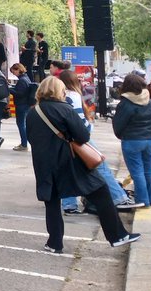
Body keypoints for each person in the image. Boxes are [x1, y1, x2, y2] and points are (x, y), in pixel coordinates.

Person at [26, 77, 138, 252]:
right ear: (59, 91)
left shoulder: (33, 112)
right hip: (68, 161)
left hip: (43, 163)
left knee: (52, 202)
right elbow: (83, 136)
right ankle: (117, 235)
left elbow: (31, 138)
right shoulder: (65, 109)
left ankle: (54, 243)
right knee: (101, 192)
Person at [57, 70, 135, 213]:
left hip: (62, 139)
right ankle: (119, 198)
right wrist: (88, 127)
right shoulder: (73, 96)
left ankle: (69, 205)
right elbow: (80, 121)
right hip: (79, 138)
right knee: (100, 165)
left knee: (68, 170)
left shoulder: (58, 97)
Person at [111, 74, 151, 207]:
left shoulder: (125, 104)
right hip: (149, 140)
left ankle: (143, 200)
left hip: (131, 140)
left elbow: (119, 125)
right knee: (148, 169)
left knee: (137, 172)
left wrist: (121, 135)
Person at [9, 63, 36, 151]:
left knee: (21, 124)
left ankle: (24, 144)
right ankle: (25, 143)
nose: (14, 74)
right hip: (26, 104)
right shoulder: (26, 78)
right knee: (23, 124)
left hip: (21, 104)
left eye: (14, 72)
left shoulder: (22, 80)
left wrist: (9, 90)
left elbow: (20, 93)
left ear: (18, 70)